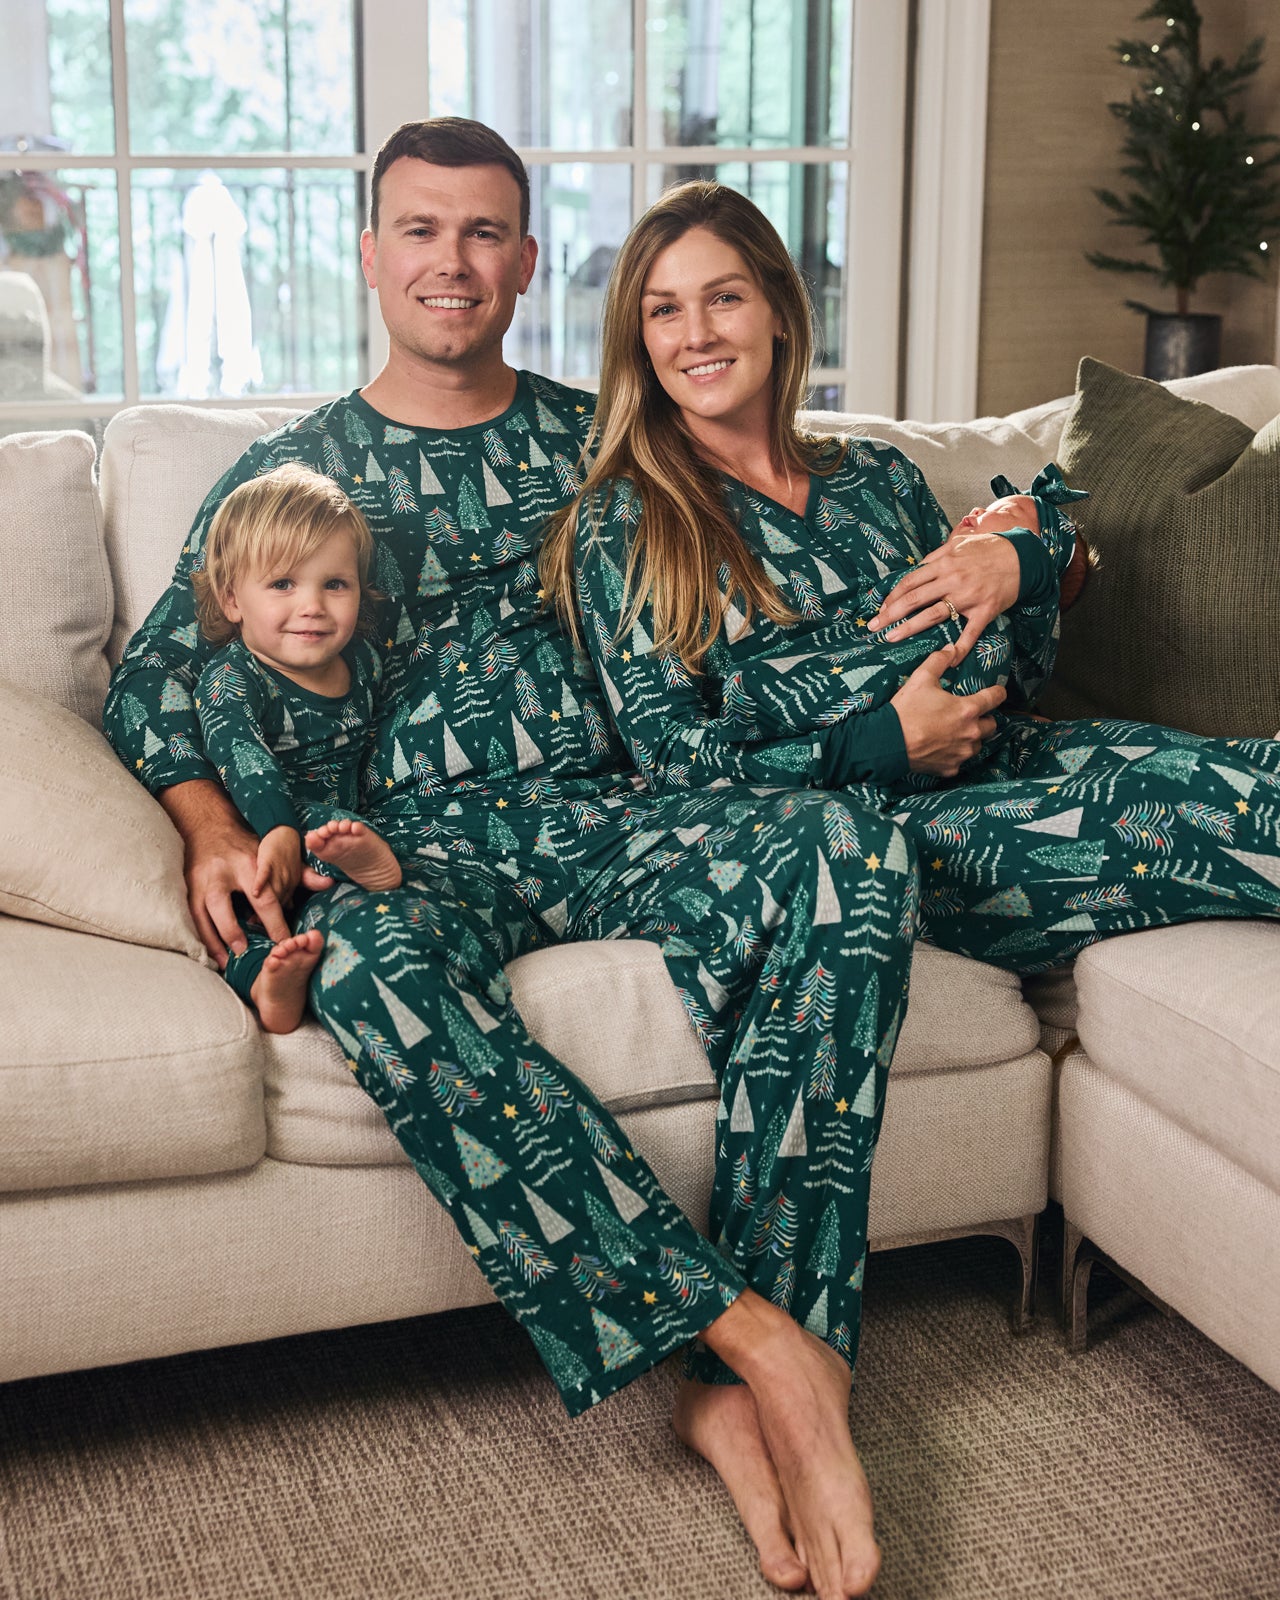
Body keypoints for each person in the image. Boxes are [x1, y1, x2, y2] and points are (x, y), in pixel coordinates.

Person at [105, 120, 907, 1600]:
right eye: (421, 230)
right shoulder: (291, 472)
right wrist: (214, 822)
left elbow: (781, 550)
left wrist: (1010, 554)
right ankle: (748, 1339)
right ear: (371, 255)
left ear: (529, 264)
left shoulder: (604, 437)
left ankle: (772, 1387)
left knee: (844, 853)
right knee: (353, 957)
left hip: (609, 813)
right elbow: (154, 681)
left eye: (485, 234)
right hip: (407, 850)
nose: (452, 263)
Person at [546, 173, 1280, 1002]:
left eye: (724, 298)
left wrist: (1021, 567)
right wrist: (885, 742)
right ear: (639, 339)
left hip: (1013, 756)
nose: (698, 333)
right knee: (1204, 814)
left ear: (780, 310)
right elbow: (675, 767)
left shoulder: (877, 477)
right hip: (882, 839)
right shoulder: (629, 521)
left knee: (1257, 772)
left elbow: (1009, 679)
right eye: (665, 309)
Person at [189, 462, 404, 1033]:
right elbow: (243, 757)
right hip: (260, 823)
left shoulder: (364, 662)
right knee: (239, 921)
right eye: (283, 584)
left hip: (342, 829)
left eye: (334, 584)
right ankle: (267, 984)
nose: (312, 605)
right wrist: (280, 829)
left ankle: (350, 876)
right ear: (233, 600)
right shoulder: (235, 677)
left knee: (352, 833)